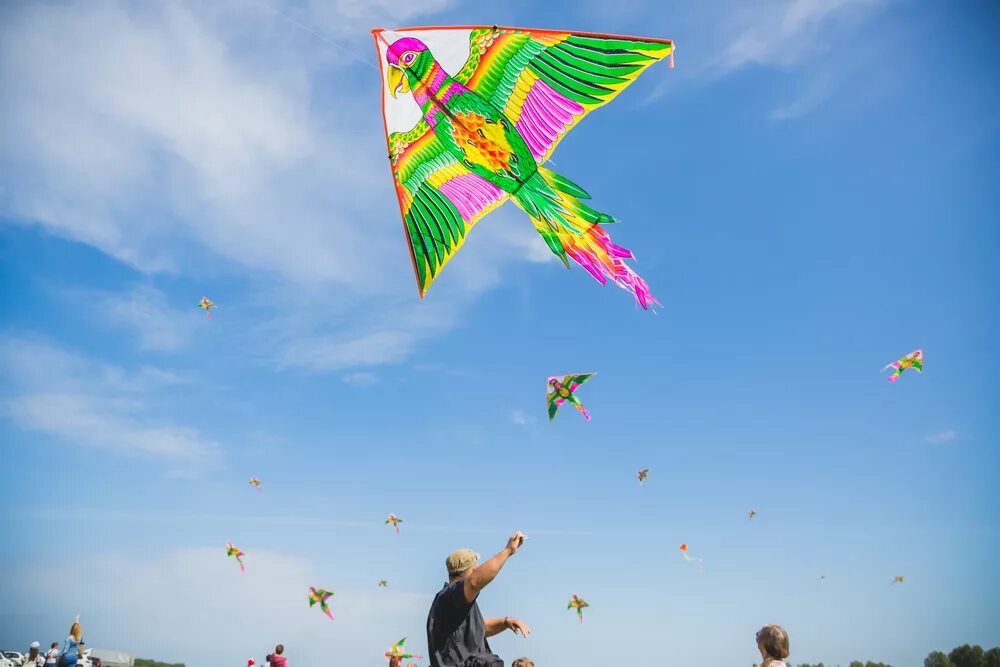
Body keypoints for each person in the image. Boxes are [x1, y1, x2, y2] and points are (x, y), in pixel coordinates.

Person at [427, 531, 532, 667]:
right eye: (475, 567)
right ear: (470, 571)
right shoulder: (451, 596)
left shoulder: (451, 602)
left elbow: (478, 629)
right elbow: (473, 582)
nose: (478, 568)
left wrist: (505, 622)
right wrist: (508, 551)